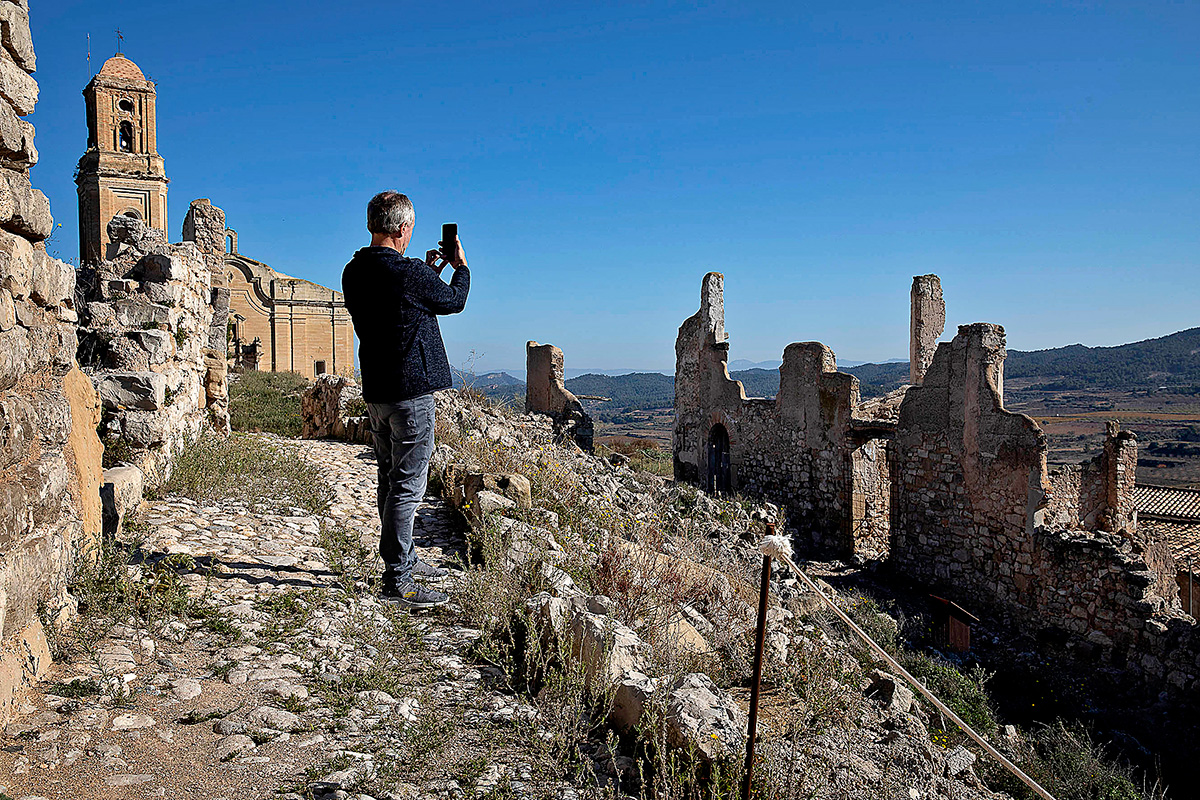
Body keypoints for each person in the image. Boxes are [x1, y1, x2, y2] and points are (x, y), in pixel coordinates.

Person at [342, 191, 470, 607]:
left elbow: (398, 302)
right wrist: (460, 267)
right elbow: (454, 300)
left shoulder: (354, 271)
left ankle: (405, 558)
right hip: (410, 394)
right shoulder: (409, 273)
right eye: (411, 228)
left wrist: (426, 272)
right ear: (402, 228)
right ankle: (399, 577)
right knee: (408, 485)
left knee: (388, 477)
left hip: (377, 391)